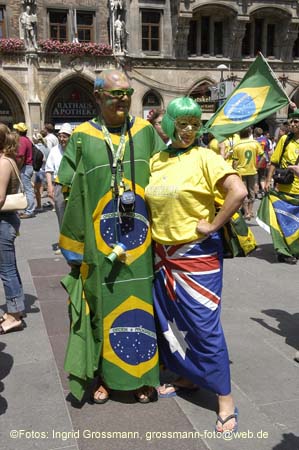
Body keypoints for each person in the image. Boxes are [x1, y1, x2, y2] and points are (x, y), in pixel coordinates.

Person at [57, 69, 167, 404]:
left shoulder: (146, 131)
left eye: (127, 94)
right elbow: (69, 190)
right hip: (99, 248)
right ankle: (103, 376)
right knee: (102, 310)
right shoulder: (82, 136)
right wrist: (75, 247)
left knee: (142, 308)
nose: (122, 101)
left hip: (141, 245)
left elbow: (165, 177)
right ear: (97, 97)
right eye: (114, 95)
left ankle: (146, 376)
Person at [145, 97, 247, 432]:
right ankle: (187, 376)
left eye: (194, 124)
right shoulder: (157, 159)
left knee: (203, 325)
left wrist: (215, 225)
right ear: (170, 123)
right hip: (162, 257)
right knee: (171, 322)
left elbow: (238, 191)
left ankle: (225, 397)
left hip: (195, 258)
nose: (189, 130)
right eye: (182, 123)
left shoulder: (205, 157)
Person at [262, 108, 299, 265]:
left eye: (296, 121)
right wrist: (267, 180)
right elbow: (274, 162)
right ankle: (283, 252)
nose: (292, 124)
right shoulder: (285, 140)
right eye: (291, 121)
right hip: (284, 190)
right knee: (283, 224)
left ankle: (294, 248)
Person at [0, 125, 26, 334]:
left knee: (6, 269)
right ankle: (16, 309)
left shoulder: (3, 162)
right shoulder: (9, 160)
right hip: (8, 220)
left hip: (3, 221)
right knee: (10, 267)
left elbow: (0, 197)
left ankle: (14, 315)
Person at [45, 123, 72, 252]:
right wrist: (49, 187)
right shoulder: (54, 150)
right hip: (59, 186)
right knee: (61, 215)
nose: (62, 139)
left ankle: (75, 243)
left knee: (74, 216)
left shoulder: (74, 150)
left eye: (65, 136)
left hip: (73, 186)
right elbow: (49, 170)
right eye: (60, 136)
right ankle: (64, 244)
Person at [232, 127, 264, 220]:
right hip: (252, 170)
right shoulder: (255, 143)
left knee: (243, 192)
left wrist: (234, 171)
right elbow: (263, 156)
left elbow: (235, 162)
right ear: (250, 133)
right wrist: (257, 165)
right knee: (252, 191)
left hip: (241, 171)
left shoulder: (237, 145)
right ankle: (250, 211)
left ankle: (246, 212)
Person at [13, 122, 35, 219]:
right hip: (28, 166)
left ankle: (29, 211)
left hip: (25, 167)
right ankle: (28, 209)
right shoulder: (27, 139)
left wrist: (17, 168)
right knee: (27, 189)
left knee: (28, 189)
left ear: (18, 131)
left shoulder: (22, 140)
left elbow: (21, 156)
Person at [32, 133, 49, 213]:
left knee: (37, 189)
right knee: (49, 188)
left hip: (39, 170)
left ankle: (39, 205)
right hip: (47, 170)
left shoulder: (36, 148)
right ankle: (54, 205)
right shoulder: (46, 146)